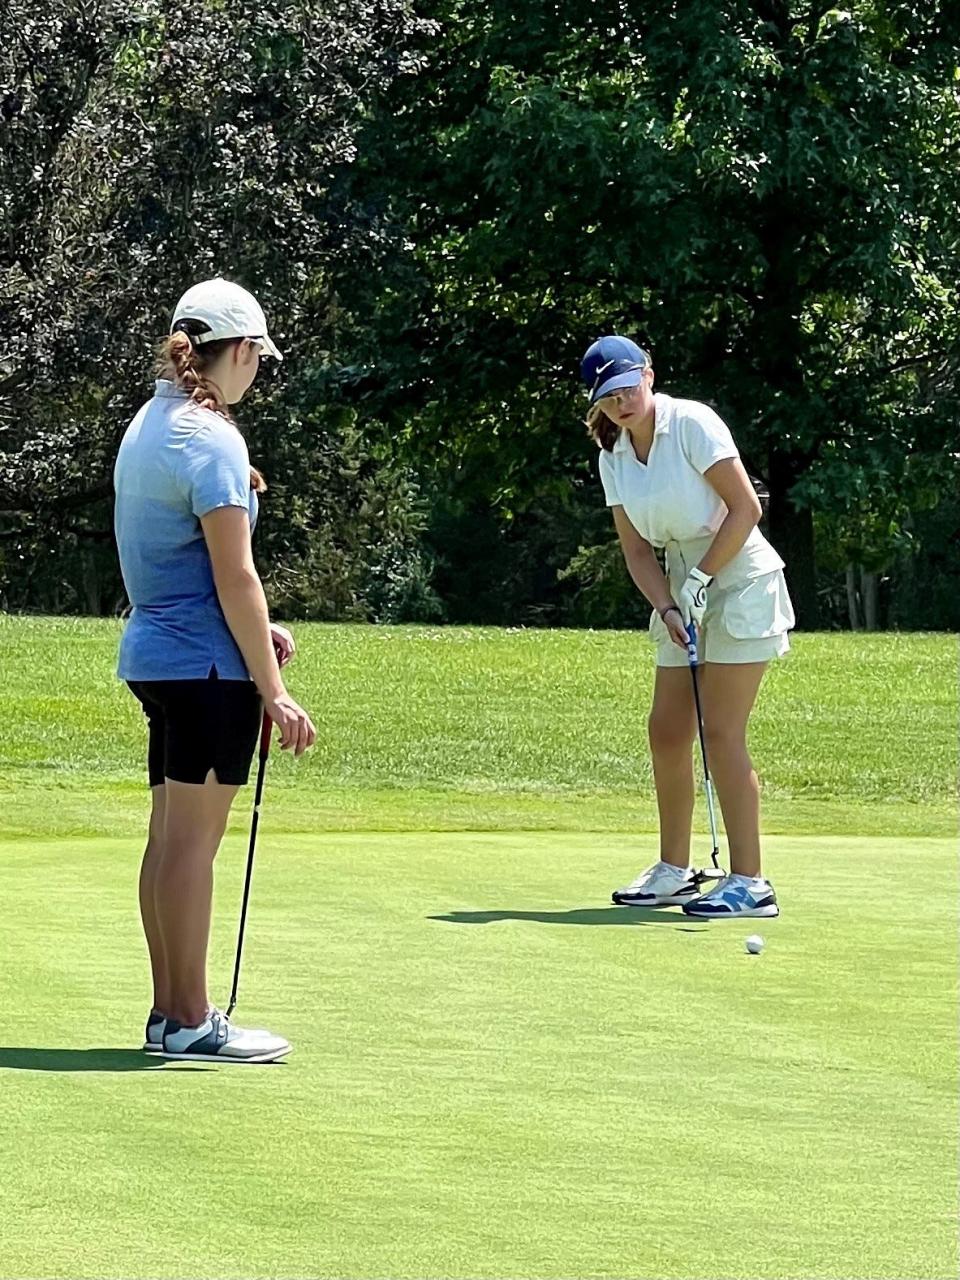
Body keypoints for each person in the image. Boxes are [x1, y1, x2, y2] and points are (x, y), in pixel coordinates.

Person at [114, 277, 316, 1062]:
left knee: (170, 839)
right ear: (233, 353)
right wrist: (273, 684)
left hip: (162, 661)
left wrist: (262, 633)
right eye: (255, 359)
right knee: (193, 846)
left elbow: (189, 566)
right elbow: (236, 576)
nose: (256, 373)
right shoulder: (212, 439)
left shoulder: (150, 423)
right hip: (207, 671)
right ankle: (192, 1019)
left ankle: (170, 1013)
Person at [581, 335, 794, 918]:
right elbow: (636, 554)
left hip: (741, 579)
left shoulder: (693, 423)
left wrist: (701, 578)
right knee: (667, 729)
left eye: (628, 386)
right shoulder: (614, 457)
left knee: (721, 731)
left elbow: (746, 508)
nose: (621, 402)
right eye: (608, 396)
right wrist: (671, 606)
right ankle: (675, 870)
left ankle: (751, 881)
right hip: (682, 587)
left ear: (649, 375)